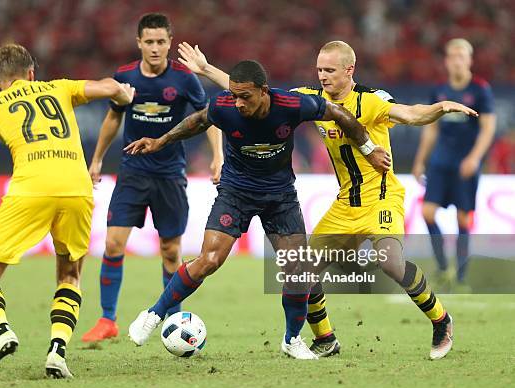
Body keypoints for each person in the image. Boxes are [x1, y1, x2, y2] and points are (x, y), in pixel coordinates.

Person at [176, 40, 477, 359]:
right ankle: (326, 338)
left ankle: (441, 320)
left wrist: (438, 109)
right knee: (303, 271)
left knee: (390, 261)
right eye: (319, 69)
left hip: (381, 197)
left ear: (349, 70)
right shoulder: (310, 99)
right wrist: (207, 69)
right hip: (346, 204)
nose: (322, 75)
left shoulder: (371, 101)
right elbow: (252, 93)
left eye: (330, 70)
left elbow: (410, 114)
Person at [125, 59, 392, 360]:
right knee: (210, 259)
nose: (238, 103)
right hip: (236, 192)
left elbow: (338, 112)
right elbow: (198, 121)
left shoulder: (291, 104)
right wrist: (161, 141)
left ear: (264, 91)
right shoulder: (224, 105)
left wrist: (369, 150)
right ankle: (153, 314)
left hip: (280, 197)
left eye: (245, 97)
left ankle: (292, 340)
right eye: (234, 96)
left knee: (298, 270)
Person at [0, 43, 135, 380]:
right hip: (77, 188)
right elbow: (108, 86)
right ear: (32, 73)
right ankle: (57, 353)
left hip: (31, 188)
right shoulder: (59, 87)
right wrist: (123, 94)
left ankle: (1, 330)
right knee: (70, 274)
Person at [81, 13, 223, 343]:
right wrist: (98, 158)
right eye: (150, 42)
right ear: (139, 43)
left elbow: (209, 118)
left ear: (169, 43)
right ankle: (107, 320)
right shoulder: (125, 77)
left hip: (170, 174)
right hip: (132, 172)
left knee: (171, 252)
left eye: (161, 42)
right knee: (113, 243)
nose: (156, 48)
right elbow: (112, 119)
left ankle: (172, 318)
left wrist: (218, 156)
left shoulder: (185, 79)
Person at [413, 38, 496, 291]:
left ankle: (460, 278)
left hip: (465, 164)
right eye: (453, 56)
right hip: (440, 162)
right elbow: (431, 130)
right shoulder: (439, 91)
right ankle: (441, 268)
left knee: (463, 218)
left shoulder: (481, 90)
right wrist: (420, 161)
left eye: (462, 56)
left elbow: (488, 128)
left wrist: (474, 158)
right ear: (447, 61)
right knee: (427, 212)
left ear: (469, 60)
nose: (457, 60)